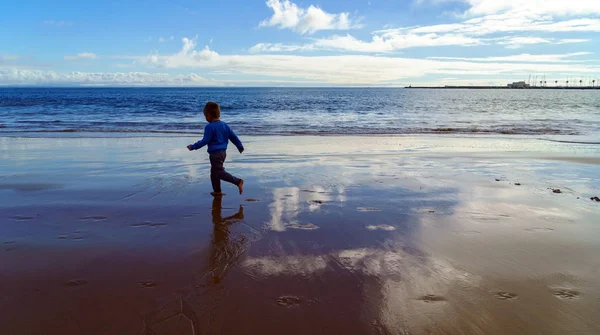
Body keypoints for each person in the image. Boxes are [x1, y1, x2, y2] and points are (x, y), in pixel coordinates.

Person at [187, 102, 244, 196]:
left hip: (215, 154)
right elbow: (233, 137)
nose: (205, 118)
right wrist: (240, 146)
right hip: (222, 153)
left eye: (205, 116)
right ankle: (217, 191)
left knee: (219, 172)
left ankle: (238, 181)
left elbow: (205, 141)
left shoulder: (209, 127)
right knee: (214, 173)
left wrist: (193, 146)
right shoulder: (224, 125)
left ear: (208, 115)